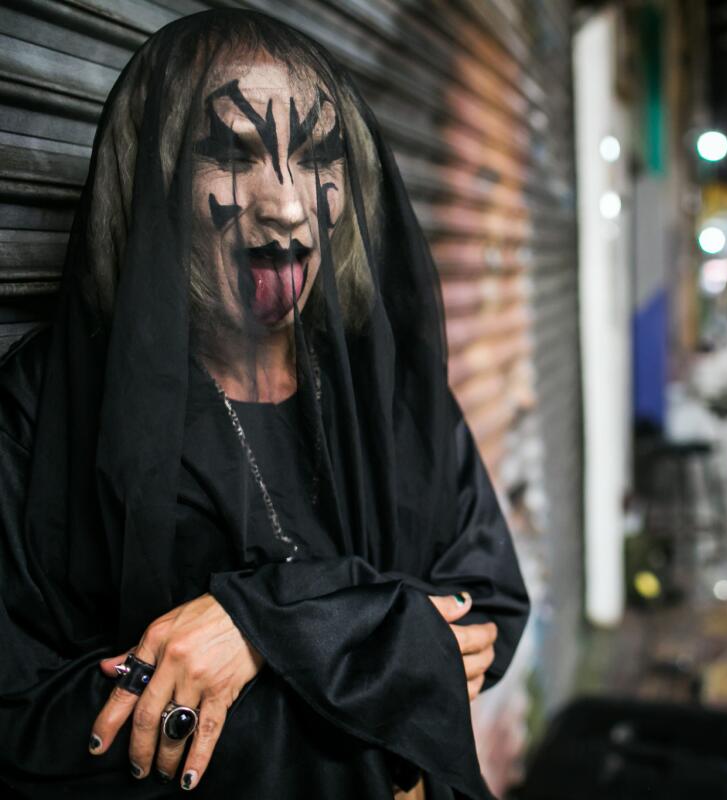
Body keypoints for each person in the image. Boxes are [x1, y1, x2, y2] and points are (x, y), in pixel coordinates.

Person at [0, 10, 527, 799]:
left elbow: (484, 618)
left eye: (319, 157)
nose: (286, 205)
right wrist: (387, 656)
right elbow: (29, 716)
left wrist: (260, 625)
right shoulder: (45, 409)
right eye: (231, 155)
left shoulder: (384, 388)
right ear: (156, 174)